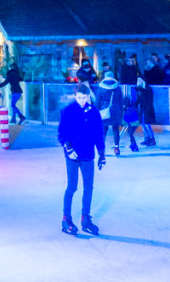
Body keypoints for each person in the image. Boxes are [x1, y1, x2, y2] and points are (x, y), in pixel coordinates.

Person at [57, 84, 106, 236]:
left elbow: (98, 134)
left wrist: (102, 153)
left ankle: (85, 219)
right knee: (72, 187)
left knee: (89, 187)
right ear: (75, 96)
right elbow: (61, 133)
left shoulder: (94, 112)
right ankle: (66, 219)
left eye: (84, 97)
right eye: (79, 97)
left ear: (88, 96)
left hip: (87, 155)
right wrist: (68, 148)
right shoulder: (68, 111)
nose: (82, 100)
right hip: (72, 156)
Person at [96, 70, 124, 155]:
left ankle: (102, 149)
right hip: (115, 111)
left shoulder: (101, 88)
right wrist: (121, 114)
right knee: (115, 130)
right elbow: (121, 101)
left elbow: (98, 101)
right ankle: (116, 148)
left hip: (104, 112)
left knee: (104, 130)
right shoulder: (117, 87)